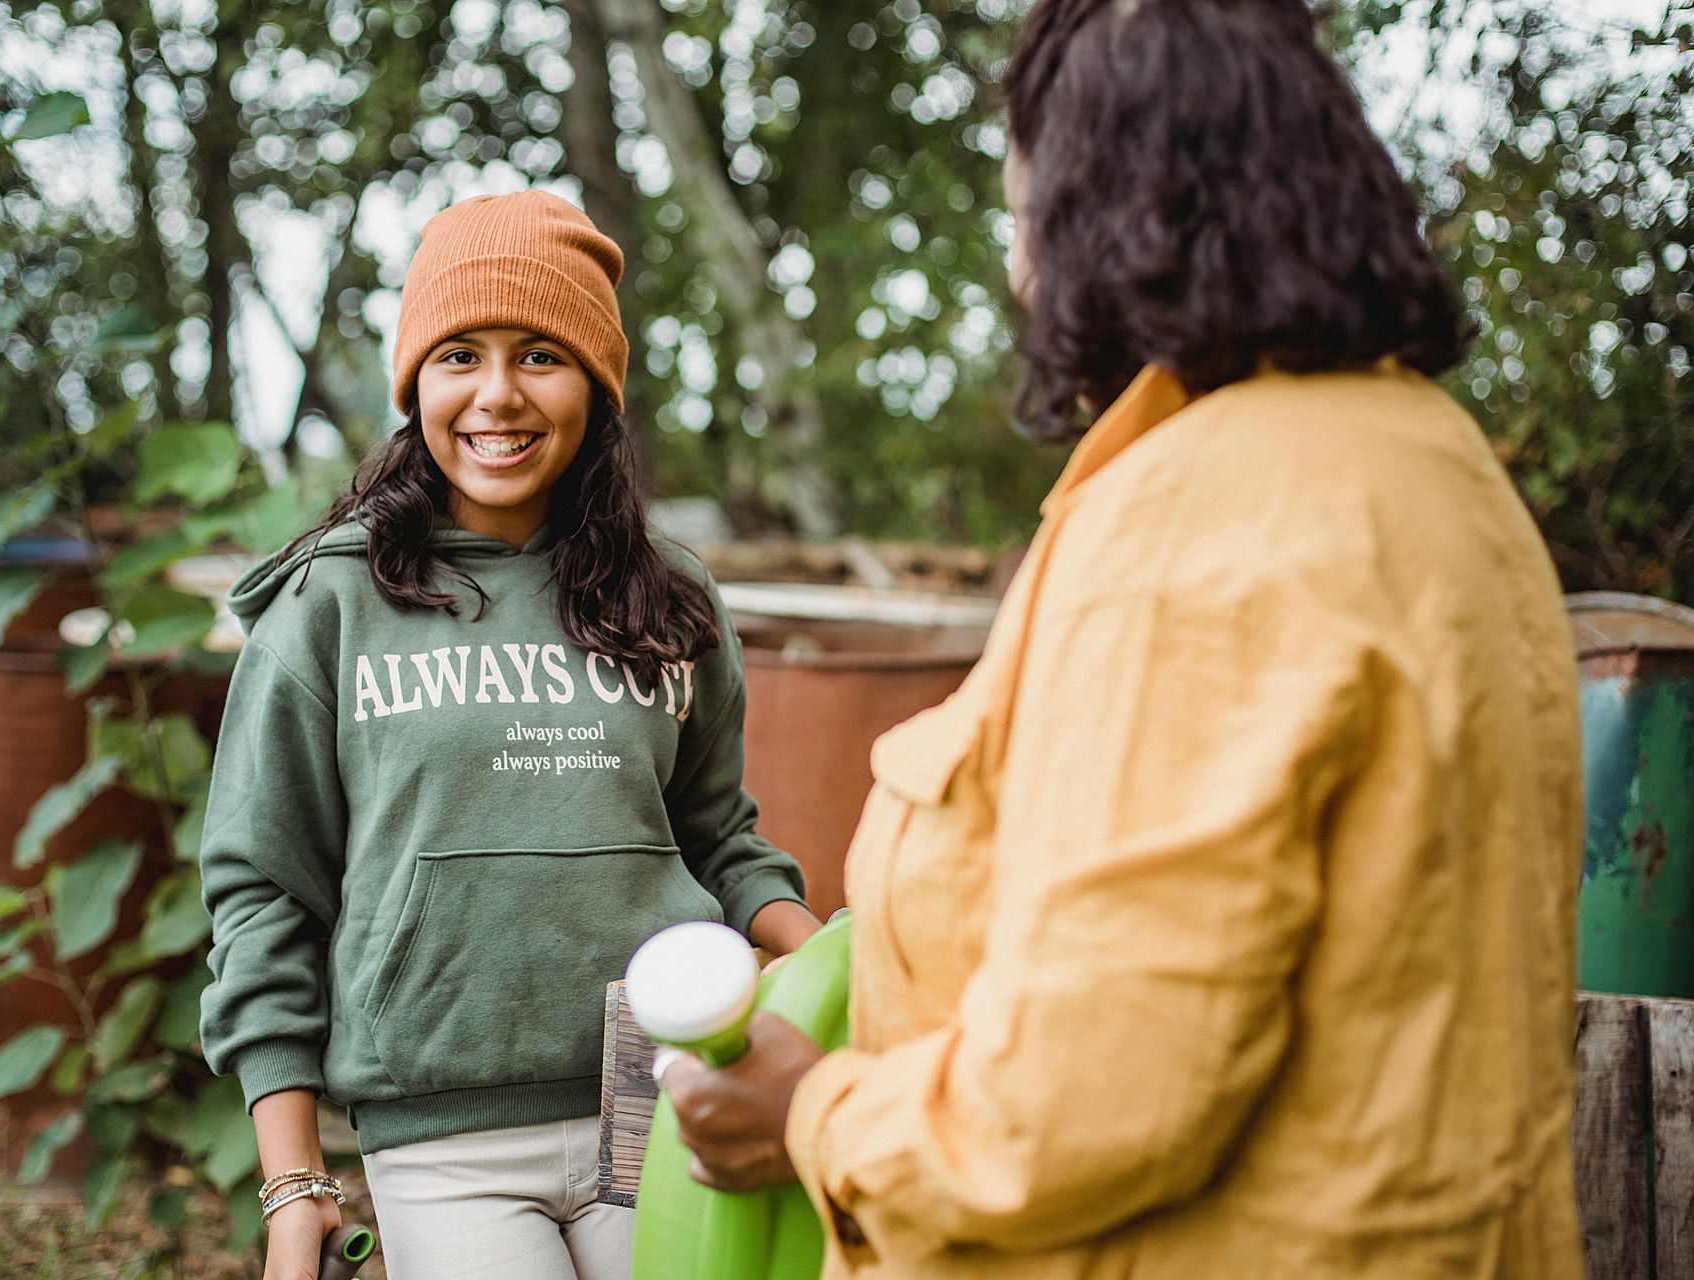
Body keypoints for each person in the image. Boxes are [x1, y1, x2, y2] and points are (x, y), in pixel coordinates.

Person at [661, 1, 1586, 1276]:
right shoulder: (1440, 468)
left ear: (1101, 210)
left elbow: (1087, 1095)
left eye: (1021, 212)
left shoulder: (1198, 523)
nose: (1020, 270)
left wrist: (811, 1115)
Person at [198, 189, 822, 1280]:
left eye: (540, 354)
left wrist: (828, 955)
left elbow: (716, 838)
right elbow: (264, 890)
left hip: (662, 1091)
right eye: (458, 357)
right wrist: (294, 1180)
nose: (497, 395)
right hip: (445, 1132)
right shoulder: (331, 605)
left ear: (596, 384)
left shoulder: (671, 599)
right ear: (416, 385)